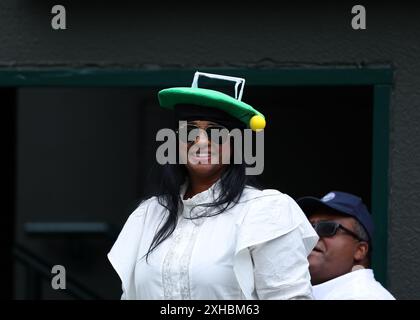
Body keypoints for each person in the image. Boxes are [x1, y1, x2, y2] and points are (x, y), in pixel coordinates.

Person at [107, 71, 318, 300]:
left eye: (216, 132)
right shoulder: (149, 214)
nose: (202, 142)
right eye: (190, 131)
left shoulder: (265, 211)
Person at [296, 191, 395, 300]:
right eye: (307, 229)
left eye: (327, 227)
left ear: (360, 250)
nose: (312, 235)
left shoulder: (364, 296)